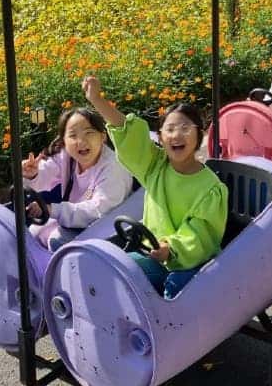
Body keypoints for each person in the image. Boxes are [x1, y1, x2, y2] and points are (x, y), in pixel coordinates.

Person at [83, 76, 228, 300]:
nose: (177, 135)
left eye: (185, 128)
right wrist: (97, 100)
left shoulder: (210, 188)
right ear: (160, 136)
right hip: (151, 253)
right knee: (113, 271)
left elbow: (200, 235)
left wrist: (170, 248)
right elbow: (128, 133)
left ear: (199, 134)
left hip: (191, 263)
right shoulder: (155, 166)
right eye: (170, 129)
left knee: (171, 289)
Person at [22, 107, 133, 251]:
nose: (81, 141)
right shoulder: (66, 156)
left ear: (102, 136)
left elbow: (98, 211)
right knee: (34, 232)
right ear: (64, 141)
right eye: (73, 135)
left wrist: (52, 209)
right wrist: (32, 174)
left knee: (58, 241)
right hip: (76, 218)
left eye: (89, 133)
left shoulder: (113, 168)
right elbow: (45, 173)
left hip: (108, 228)